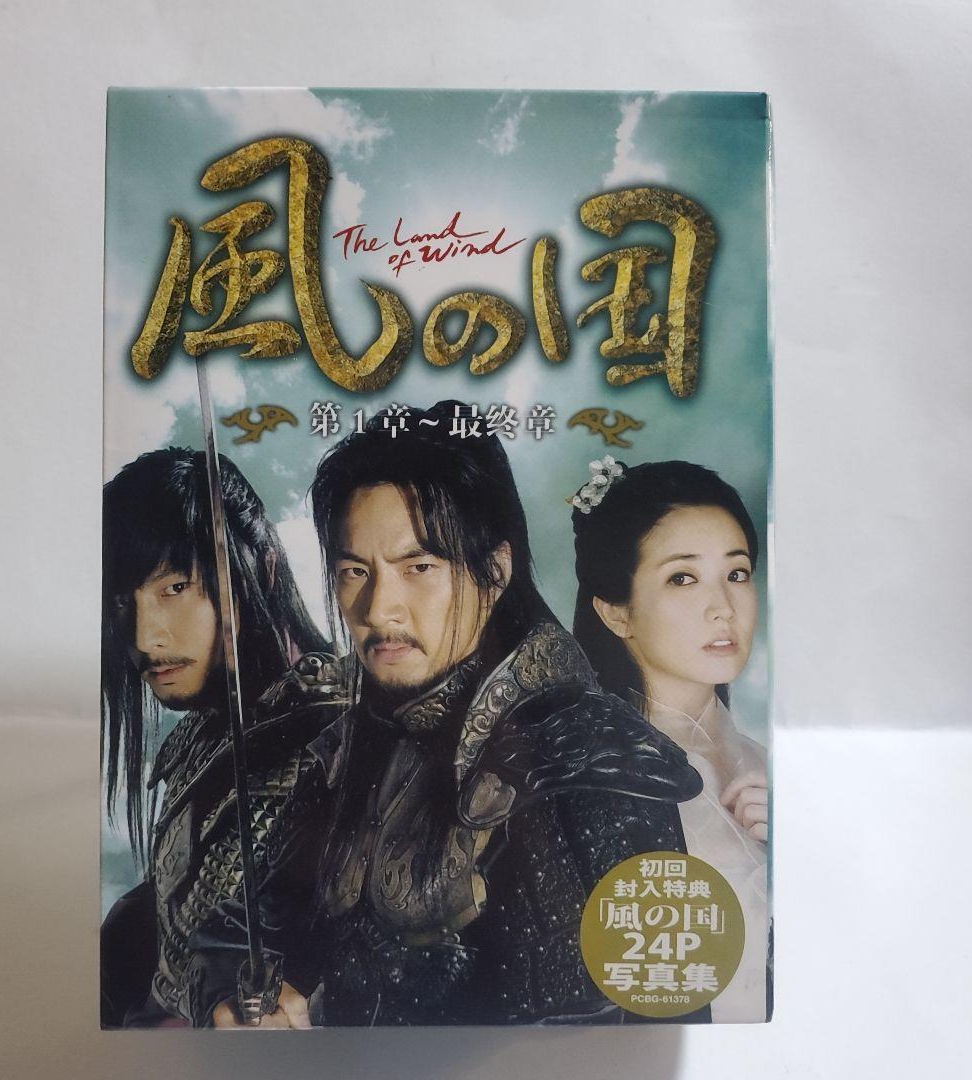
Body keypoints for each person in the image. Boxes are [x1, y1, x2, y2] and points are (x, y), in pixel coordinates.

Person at [200, 401, 703, 1026]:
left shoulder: (589, 755)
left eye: (419, 568)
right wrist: (248, 996)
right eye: (355, 571)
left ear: (494, 571)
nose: (379, 609)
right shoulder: (348, 748)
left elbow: (663, 1013)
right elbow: (247, 926)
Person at [99, 448, 341, 1028]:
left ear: (263, 569)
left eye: (176, 587)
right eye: (124, 601)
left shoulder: (343, 739)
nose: (147, 637)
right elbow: (177, 909)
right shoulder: (198, 737)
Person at [571, 457, 770, 1021]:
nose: (723, 607)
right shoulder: (585, 778)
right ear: (616, 612)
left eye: (737, 573)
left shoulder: (770, 766)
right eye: (683, 578)